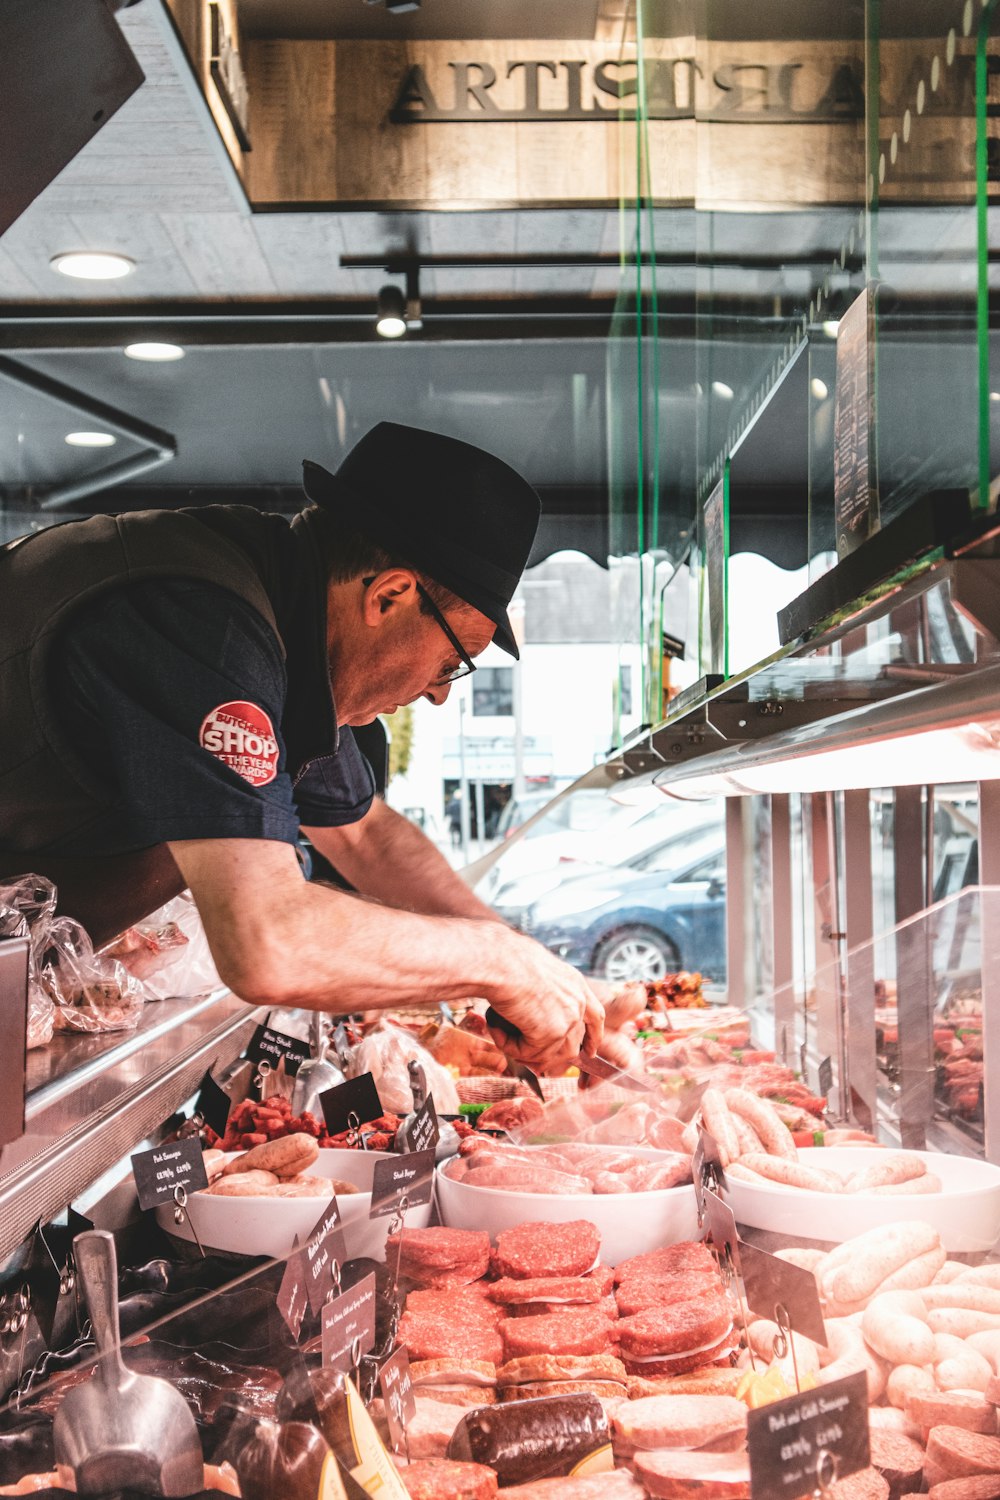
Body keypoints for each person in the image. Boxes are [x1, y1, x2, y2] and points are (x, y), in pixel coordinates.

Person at [0, 422, 605, 1073]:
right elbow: (269, 943)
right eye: (456, 662)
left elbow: (366, 835)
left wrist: (537, 974)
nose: (439, 695)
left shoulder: (286, 633)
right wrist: (499, 965)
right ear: (390, 596)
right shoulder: (207, 627)